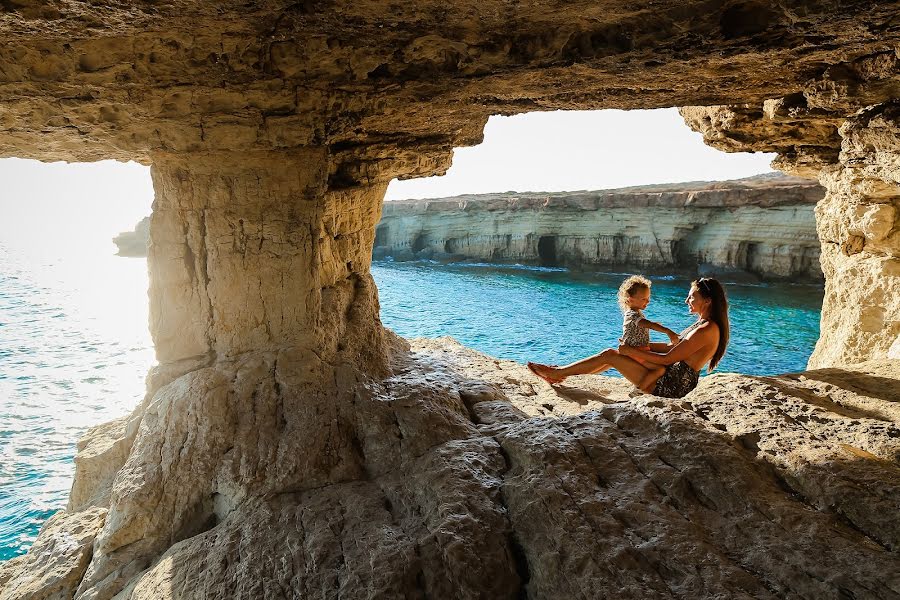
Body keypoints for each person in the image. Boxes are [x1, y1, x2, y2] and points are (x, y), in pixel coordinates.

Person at [527, 277, 730, 399]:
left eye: (692, 296)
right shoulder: (704, 325)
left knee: (612, 356)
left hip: (671, 385)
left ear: (707, 301)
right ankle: (560, 372)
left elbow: (669, 358)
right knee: (614, 354)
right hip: (669, 376)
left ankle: (557, 373)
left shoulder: (707, 329)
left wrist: (631, 351)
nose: (687, 300)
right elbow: (671, 347)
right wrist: (640, 346)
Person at [587, 276, 680, 393]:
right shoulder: (632, 314)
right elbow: (646, 324)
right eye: (643, 299)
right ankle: (639, 389)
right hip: (636, 352)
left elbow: (642, 326)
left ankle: (588, 372)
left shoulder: (636, 313)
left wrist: (650, 325)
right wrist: (668, 331)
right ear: (630, 299)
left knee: (609, 362)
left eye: (648, 298)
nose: (648, 301)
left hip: (640, 350)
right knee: (660, 369)